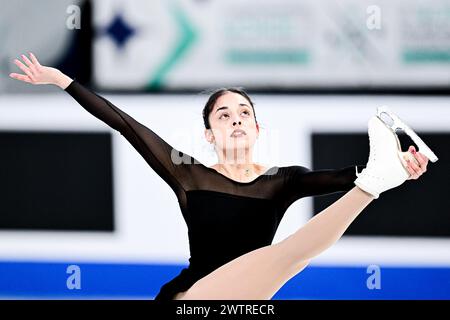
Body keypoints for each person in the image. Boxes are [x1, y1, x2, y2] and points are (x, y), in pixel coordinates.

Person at [9, 53, 430, 300]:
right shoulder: (187, 173)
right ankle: (375, 183)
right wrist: (63, 80)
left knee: (291, 258)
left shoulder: (283, 181)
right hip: (192, 301)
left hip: (250, 302)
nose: (236, 120)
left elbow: (342, 176)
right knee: (287, 257)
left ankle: (378, 180)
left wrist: (404, 169)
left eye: (245, 112)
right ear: (210, 134)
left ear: (257, 129)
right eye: (223, 115)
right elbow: (125, 123)